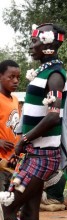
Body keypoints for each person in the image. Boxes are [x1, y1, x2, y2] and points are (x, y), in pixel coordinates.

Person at [0, 23, 67, 220]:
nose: (31, 45)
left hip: (41, 157)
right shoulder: (44, 73)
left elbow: (54, 117)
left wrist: (23, 140)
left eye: (35, 41)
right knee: (29, 214)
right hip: (34, 156)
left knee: (7, 207)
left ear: (48, 44)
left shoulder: (55, 75)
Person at [0, 60, 21, 191]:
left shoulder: (15, 100)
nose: (15, 81)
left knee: (12, 201)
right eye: (11, 77)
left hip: (13, 161)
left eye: (18, 77)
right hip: (0, 162)